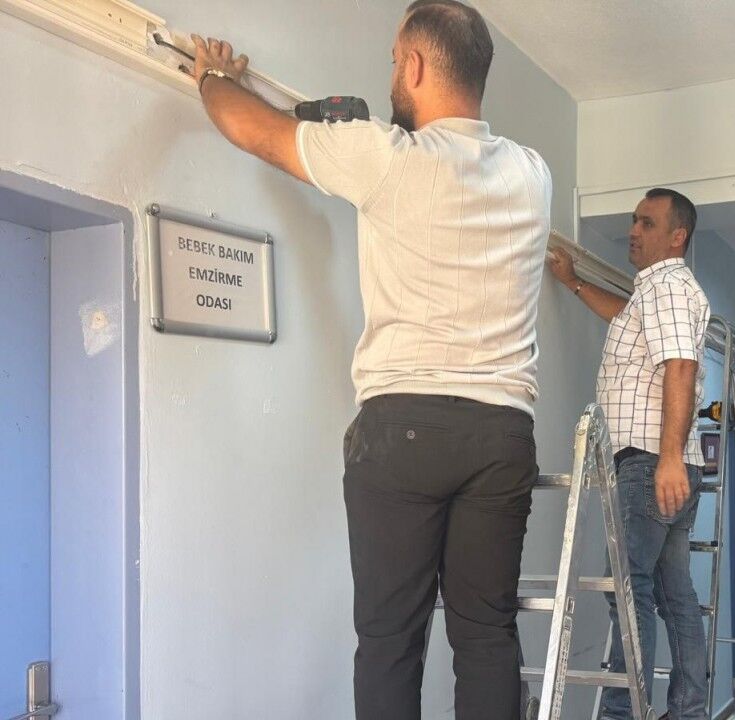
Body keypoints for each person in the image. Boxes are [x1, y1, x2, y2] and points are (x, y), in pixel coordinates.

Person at [190, 3, 553, 717]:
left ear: (414, 66)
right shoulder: (532, 173)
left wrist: (212, 77)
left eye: (393, 61)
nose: (390, 75)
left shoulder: (384, 156)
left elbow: (253, 131)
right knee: (487, 636)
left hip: (403, 427)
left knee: (390, 641)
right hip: (502, 432)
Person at [546, 188, 709, 720]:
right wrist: (574, 282)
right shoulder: (653, 295)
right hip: (661, 464)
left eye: (647, 223)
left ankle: (623, 711)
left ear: (677, 236)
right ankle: (687, 709)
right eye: (633, 221)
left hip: (649, 464)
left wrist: (667, 458)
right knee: (674, 595)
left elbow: (680, 366)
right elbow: (624, 317)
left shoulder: (667, 286)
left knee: (627, 588)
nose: (633, 231)